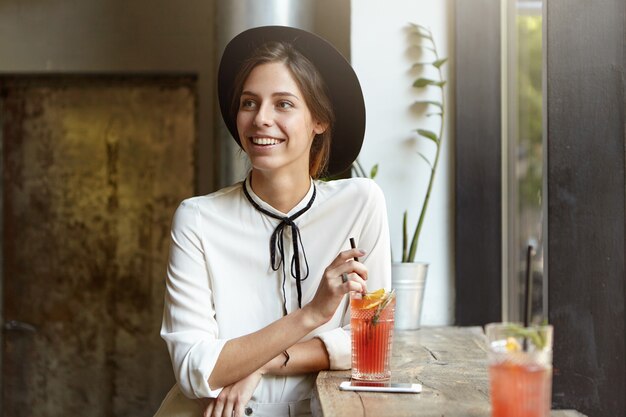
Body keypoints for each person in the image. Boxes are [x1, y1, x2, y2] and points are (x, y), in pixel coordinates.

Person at [155, 26, 391, 417]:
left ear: (319, 120)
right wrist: (312, 315)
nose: (260, 119)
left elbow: (371, 342)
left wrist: (260, 363)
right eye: (249, 103)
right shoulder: (197, 220)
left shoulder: (361, 203)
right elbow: (195, 370)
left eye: (283, 104)